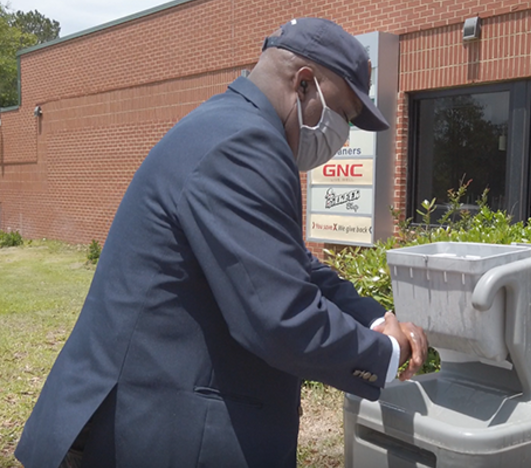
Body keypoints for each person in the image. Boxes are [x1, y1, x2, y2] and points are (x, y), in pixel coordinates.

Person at [15, 17, 428, 468]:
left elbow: (294, 267)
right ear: (305, 85)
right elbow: (281, 318)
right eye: (343, 115)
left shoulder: (233, 127)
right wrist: (387, 353)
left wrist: (373, 317)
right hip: (140, 432)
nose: (342, 135)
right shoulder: (244, 145)